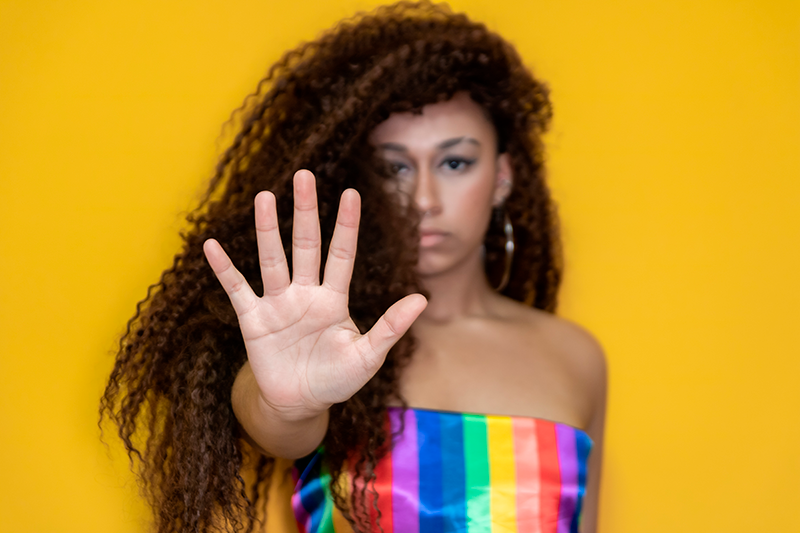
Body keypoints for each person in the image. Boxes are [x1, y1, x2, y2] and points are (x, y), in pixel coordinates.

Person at [101, 2, 607, 532]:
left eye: (455, 162)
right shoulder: (329, 337)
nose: (425, 199)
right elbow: (278, 421)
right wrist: (284, 404)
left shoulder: (576, 358)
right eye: (395, 168)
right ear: (362, 180)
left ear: (502, 177)